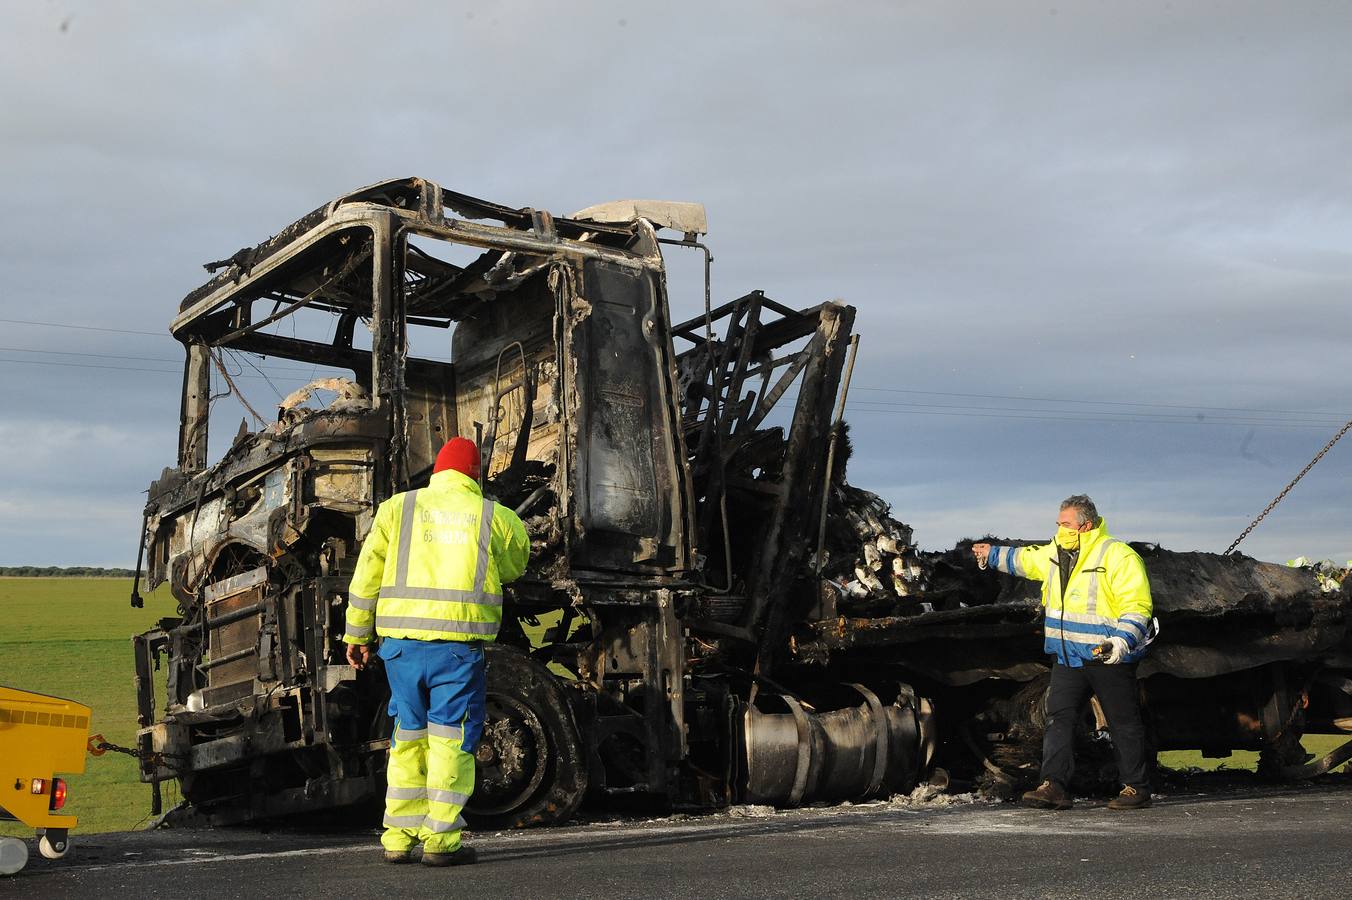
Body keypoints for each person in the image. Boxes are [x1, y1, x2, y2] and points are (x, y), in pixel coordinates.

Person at [343, 436, 530, 865]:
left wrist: (356, 635)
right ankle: (441, 843)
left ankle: (397, 837)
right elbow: (515, 565)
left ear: (437, 471)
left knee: (407, 737)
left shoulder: (397, 509)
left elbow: (366, 575)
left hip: (401, 651)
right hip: (457, 652)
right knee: (451, 738)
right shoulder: (493, 516)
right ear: (475, 475)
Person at [971, 494, 1154, 811]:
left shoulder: (1118, 557)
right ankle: (1053, 786)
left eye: (1065, 524)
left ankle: (1135, 788)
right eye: (1058, 524)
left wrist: (1120, 642)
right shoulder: (1055, 554)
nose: (1060, 529)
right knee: (1059, 720)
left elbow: (1137, 608)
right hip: (1068, 657)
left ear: (1085, 525)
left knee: (1122, 722)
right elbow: (1024, 560)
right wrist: (992, 553)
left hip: (1106, 656)